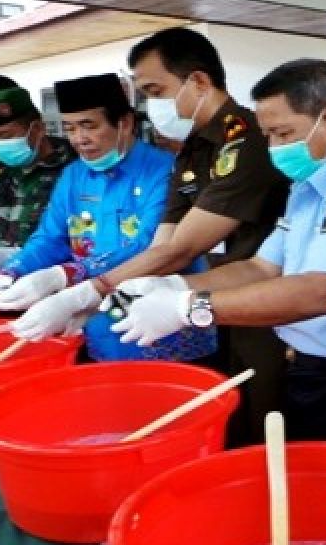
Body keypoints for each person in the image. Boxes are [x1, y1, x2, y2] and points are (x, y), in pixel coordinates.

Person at [15, 28, 290, 444]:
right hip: (206, 300)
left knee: (259, 427)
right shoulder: (195, 147)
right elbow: (165, 244)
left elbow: (184, 246)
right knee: (218, 421)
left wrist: (87, 291)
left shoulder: (245, 141)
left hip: (262, 304)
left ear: (198, 81)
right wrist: (103, 299)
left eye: (155, 90)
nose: (150, 105)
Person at [107, 59, 326, 442]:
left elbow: (321, 291)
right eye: (269, 136)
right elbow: (261, 268)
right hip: (302, 365)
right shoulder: (311, 184)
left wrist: (189, 309)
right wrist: (175, 286)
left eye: (282, 133)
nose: (275, 148)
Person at [0, 73, 214, 363]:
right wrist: (13, 270)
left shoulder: (167, 172)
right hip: (98, 330)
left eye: (89, 126)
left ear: (125, 123)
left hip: (168, 331)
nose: (79, 139)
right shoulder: (73, 176)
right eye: (69, 128)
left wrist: (67, 276)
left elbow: (153, 248)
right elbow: (50, 237)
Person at [0, 86, 75, 288]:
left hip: (54, 286)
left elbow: (85, 242)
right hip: (2, 288)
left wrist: (17, 256)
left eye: (5, 135)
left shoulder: (75, 171)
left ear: (37, 129)